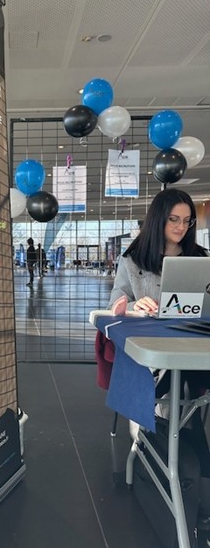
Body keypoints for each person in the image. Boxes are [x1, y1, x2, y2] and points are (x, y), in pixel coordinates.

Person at [108, 187, 210, 533]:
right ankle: (192, 483)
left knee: (188, 400)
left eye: (186, 221)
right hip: (156, 355)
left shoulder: (200, 258)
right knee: (182, 403)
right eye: (173, 220)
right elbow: (116, 302)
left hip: (193, 347)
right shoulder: (133, 259)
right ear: (158, 220)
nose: (181, 227)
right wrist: (133, 305)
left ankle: (188, 477)